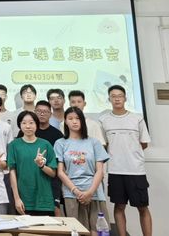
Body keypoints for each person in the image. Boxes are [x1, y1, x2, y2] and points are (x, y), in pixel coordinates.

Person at [99, 85, 152, 236]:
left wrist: (131, 153)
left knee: (143, 207)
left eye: (120, 96)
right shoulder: (103, 120)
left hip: (136, 171)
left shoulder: (137, 118)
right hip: (115, 170)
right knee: (119, 206)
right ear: (109, 99)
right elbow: (104, 144)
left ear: (125, 98)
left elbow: (144, 143)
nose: (117, 99)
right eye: (113, 96)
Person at [54, 107, 109, 236]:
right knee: (77, 230)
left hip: (94, 191)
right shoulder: (60, 143)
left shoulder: (94, 142)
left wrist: (90, 192)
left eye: (78, 118)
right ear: (65, 121)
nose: (74, 121)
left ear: (82, 120)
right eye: (70, 118)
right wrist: (76, 191)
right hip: (71, 192)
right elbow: (60, 172)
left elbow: (100, 171)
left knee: (98, 230)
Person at [18, 100, 64, 215]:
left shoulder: (57, 134)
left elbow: (58, 163)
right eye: (39, 111)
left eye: (45, 112)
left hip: (51, 179)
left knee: (53, 213)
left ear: (51, 114)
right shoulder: (25, 132)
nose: (42, 114)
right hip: (28, 180)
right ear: (34, 112)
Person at [7, 110, 57, 216]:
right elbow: (12, 172)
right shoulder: (14, 145)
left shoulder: (46, 144)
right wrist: (17, 199)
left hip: (44, 200)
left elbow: (53, 173)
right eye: (24, 123)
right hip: (23, 200)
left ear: (36, 124)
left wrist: (42, 166)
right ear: (19, 125)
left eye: (31, 122)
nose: (28, 126)